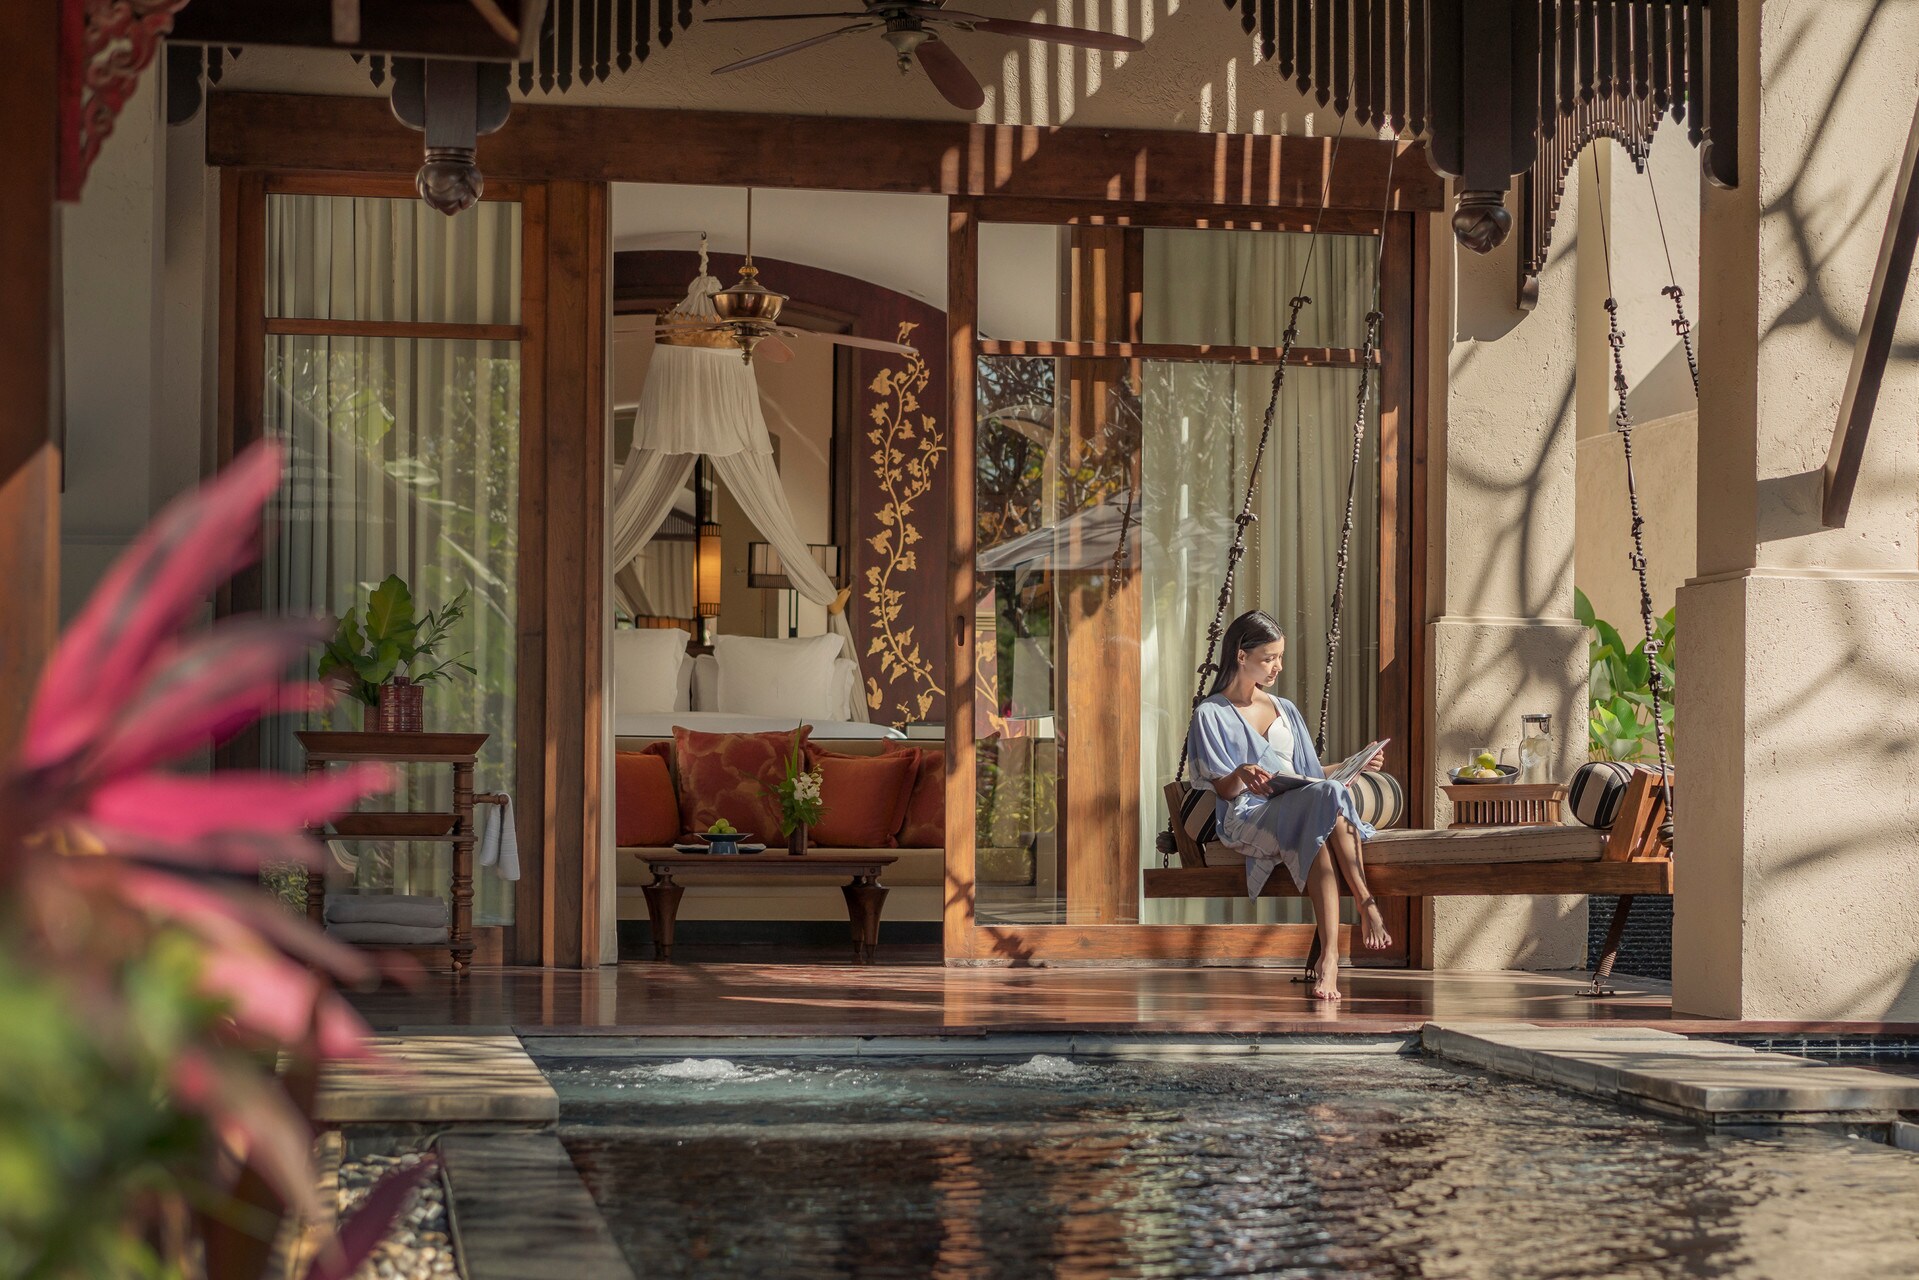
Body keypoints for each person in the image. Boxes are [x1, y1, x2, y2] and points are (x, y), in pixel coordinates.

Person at [1184, 609, 1390, 1002]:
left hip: (1296, 807)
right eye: (1269, 658)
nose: (1277, 666)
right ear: (1241, 656)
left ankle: (1331, 954)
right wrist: (1243, 773)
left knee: (1321, 801)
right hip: (1247, 816)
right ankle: (1366, 906)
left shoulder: (1285, 709)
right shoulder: (1210, 714)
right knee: (1317, 807)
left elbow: (1309, 773)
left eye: (1280, 657)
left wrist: (1355, 762)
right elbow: (1224, 791)